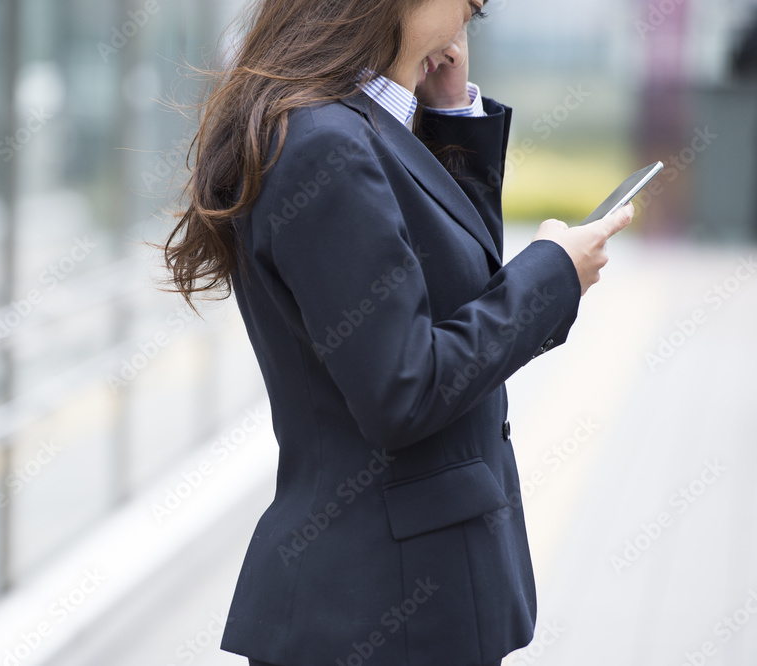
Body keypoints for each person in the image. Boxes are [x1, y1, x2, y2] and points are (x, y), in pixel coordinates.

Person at [162, 1, 633, 664]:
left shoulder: (349, 124)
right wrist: (552, 276)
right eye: (466, 4)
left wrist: (448, 119)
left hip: (401, 595)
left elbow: (451, 281)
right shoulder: (325, 141)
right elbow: (403, 390)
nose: (475, 12)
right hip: (378, 607)